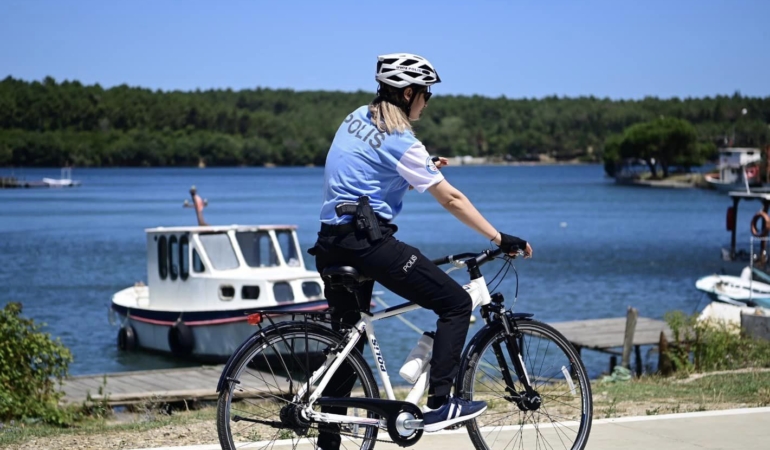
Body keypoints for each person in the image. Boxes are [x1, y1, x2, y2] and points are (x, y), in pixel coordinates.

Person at [310, 53, 533, 449]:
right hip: (367, 245)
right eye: (425, 94)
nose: (427, 102)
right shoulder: (402, 140)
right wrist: (499, 238)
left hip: (330, 242)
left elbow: (364, 169)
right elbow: (451, 198)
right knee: (454, 304)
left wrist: (423, 165)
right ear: (409, 92)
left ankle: (328, 435)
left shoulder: (356, 116)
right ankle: (442, 403)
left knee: (350, 340)